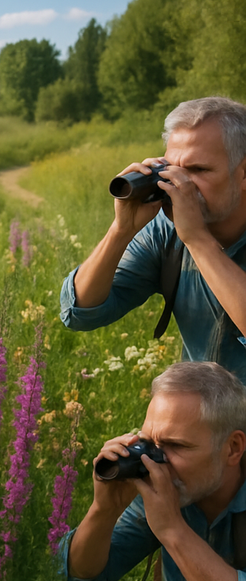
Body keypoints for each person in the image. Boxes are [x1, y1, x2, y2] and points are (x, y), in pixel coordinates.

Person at [59, 360, 246, 581]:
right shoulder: (171, 487)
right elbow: (82, 575)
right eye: (148, 443)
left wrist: (173, 530)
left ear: (233, 448)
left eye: (177, 446)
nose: (154, 461)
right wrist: (103, 510)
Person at [60, 97, 246, 382]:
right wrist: (121, 231)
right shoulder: (165, 231)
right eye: (170, 169)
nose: (180, 184)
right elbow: (81, 313)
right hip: (206, 419)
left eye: (199, 170)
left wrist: (197, 240)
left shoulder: (188, 233)